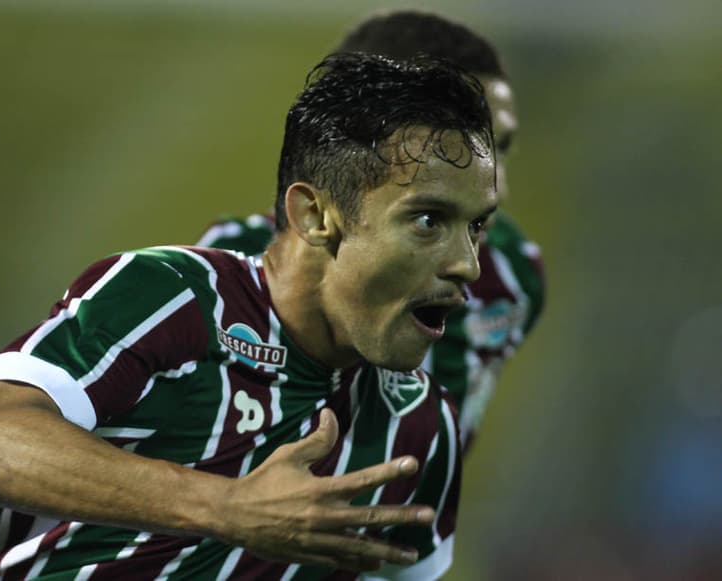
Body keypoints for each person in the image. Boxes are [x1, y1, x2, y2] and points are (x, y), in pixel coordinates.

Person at [0, 53, 497, 580]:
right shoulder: (175, 298)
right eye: (428, 220)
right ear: (316, 215)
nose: (468, 265)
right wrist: (228, 507)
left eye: (475, 226)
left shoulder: (420, 428)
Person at [198, 10, 546, 451]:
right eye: (454, 152)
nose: (496, 189)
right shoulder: (228, 273)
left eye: (501, 150)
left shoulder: (513, 277)